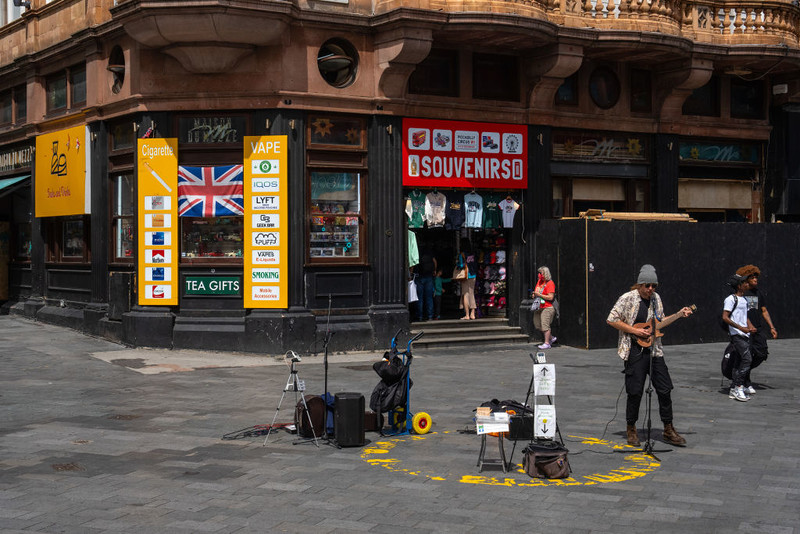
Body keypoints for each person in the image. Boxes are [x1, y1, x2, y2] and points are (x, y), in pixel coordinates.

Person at [607, 264, 694, 447]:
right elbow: (612, 319)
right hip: (634, 350)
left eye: (653, 286)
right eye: (647, 285)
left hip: (654, 350)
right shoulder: (628, 298)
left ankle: (668, 429)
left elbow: (659, 322)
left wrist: (679, 314)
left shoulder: (656, 299)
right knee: (635, 391)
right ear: (639, 284)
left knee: (665, 388)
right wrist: (634, 331)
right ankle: (631, 428)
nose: (650, 289)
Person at [735, 264, 777, 394]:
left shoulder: (758, 293)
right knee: (746, 357)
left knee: (762, 353)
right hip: (744, 330)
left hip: (757, 329)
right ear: (746, 279)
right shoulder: (740, 293)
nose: (755, 279)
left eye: (756, 277)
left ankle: (742, 372)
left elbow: (764, 311)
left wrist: (772, 327)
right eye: (752, 277)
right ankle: (744, 382)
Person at [722, 273, 757, 402]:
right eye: (744, 283)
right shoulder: (730, 299)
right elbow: (725, 317)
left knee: (738, 362)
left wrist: (750, 326)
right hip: (736, 335)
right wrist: (740, 328)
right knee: (747, 359)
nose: (747, 284)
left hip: (745, 334)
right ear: (739, 286)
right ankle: (738, 386)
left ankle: (733, 389)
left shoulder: (744, 300)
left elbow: (745, 316)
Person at [532, 266, 557, 349]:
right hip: (539, 306)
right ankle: (551, 338)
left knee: (545, 325)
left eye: (540, 273)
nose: (539, 275)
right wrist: (534, 294)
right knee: (537, 324)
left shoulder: (550, 283)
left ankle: (547, 343)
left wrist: (540, 295)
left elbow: (550, 297)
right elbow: (537, 291)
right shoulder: (539, 281)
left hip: (547, 307)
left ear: (545, 274)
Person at [415, 249, 437, 322]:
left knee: (419, 298)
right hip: (429, 276)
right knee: (429, 297)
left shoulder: (416, 251)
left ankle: (420, 316)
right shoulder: (429, 251)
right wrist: (434, 271)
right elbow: (434, 261)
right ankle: (430, 316)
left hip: (419, 276)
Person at [457, 240, 477, 320]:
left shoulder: (462, 254)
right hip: (473, 275)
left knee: (465, 294)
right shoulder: (473, 254)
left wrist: (457, 263)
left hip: (465, 275)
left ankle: (467, 315)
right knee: (471, 293)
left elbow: (461, 265)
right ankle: (473, 313)